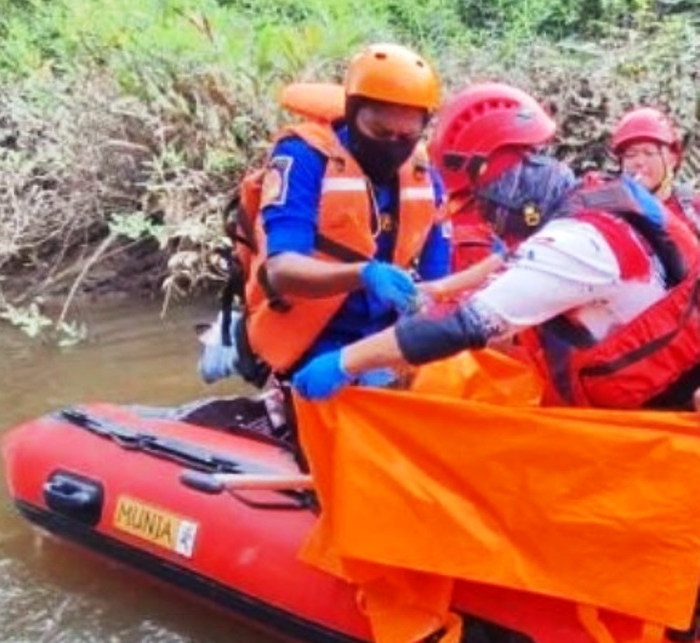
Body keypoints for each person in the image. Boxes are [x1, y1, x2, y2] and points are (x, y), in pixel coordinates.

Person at [293, 82, 700, 410]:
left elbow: (466, 325)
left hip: (660, 412)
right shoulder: (593, 204)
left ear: (506, 186)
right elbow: (502, 273)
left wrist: (346, 362)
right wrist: (429, 295)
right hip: (656, 394)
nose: (484, 218)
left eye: (477, 201)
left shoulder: (575, 244)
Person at [236, 43, 451, 387]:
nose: (393, 144)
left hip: (378, 335)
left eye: (407, 135)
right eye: (380, 132)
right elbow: (281, 270)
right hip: (309, 334)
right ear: (352, 114)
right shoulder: (304, 158)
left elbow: (439, 281)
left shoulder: (424, 175)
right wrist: (363, 274)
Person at [611, 107, 700, 234]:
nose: (639, 162)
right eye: (630, 154)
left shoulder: (694, 210)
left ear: (672, 159)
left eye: (649, 152)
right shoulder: (610, 216)